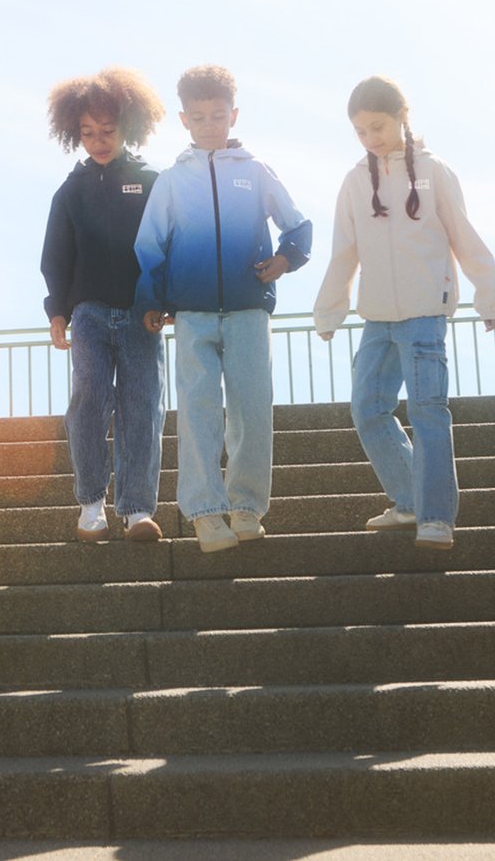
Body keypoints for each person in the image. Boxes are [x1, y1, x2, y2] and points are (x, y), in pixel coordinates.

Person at [135, 64, 312, 553]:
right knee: (197, 411)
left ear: (233, 115)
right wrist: (150, 298)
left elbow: (298, 227)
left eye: (218, 115)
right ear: (183, 120)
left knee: (251, 411)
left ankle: (246, 506)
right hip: (191, 314)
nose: (210, 124)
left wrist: (285, 259)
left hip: (248, 311)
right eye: (199, 117)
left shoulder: (256, 172)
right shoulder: (171, 180)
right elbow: (150, 243)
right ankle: (206, 513)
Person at [314, 75, 495, 550]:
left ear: (401, 117)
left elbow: (464, 235)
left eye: (378, 126)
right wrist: (329, 310)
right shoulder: (355, 180)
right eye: (360, 131)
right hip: (378, 318)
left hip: (423, 315)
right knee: (368, 408)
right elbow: (344, 250)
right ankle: (409, 500)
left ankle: (436, 517)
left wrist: (488, 294)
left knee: (427, 410)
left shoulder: (435, 170)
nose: (371, 138)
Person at [41, 67, 166, 542]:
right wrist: (57, 311)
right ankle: (91, 505)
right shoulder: (70, 191)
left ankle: (137, 510)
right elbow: (55, 256)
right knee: (89, 397)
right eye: (87, 133)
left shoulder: (152, 182)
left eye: (107, 131)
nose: (97, 140)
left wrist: (162, 298)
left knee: (142, 405)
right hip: (89, 312)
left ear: (127, 126)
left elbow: (165, 246)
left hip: (141, 314)